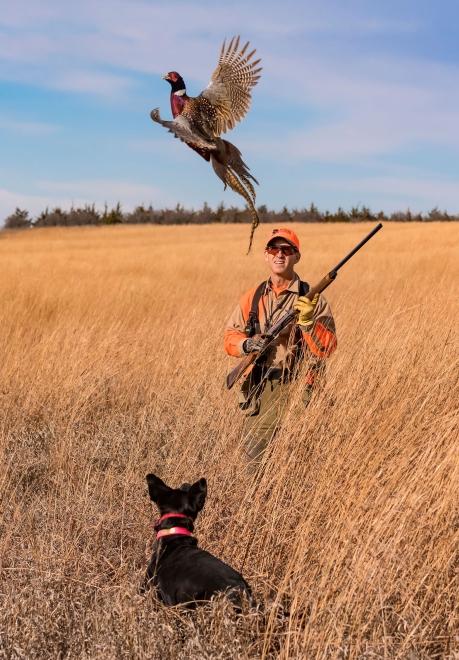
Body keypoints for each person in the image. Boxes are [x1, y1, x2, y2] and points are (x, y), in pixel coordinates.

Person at [224, 227, 337, 467]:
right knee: (254, 466)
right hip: (260, 389)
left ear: (297, 256)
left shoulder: (312, 298)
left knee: (298, 466)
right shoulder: (253, 296)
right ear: (266, 255)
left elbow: (327, 348)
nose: (279, 254)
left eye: (287, 249)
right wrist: (247, 344)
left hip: (299, 388)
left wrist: (307, 324)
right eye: (274, 248)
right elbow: (230, 336)